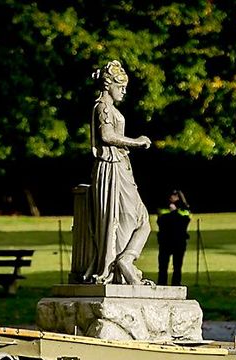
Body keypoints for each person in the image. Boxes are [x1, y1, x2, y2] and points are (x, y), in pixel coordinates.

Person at [85, 59, 153, 285]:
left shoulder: (110, 108)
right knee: (124, 219)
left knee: (142, 220)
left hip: (121, 166)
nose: (124, 91)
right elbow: (107, 136)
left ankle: (125, 260)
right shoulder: (102, 107)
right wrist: (136, 142)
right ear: (108, 85)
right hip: (111, 168)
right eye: (120, 86)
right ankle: (118, 267)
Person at [156, 189, 192, 286]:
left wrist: (174, 212)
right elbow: (161, 222)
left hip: (179, 241)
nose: (173, 197)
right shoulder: (163, 208)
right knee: (163, 266)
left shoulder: (184, 209)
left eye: (175, 195)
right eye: (171, 195)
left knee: (177, 266)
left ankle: (176, 284)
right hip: (165, 241)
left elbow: (184, 222)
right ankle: (161, 284)